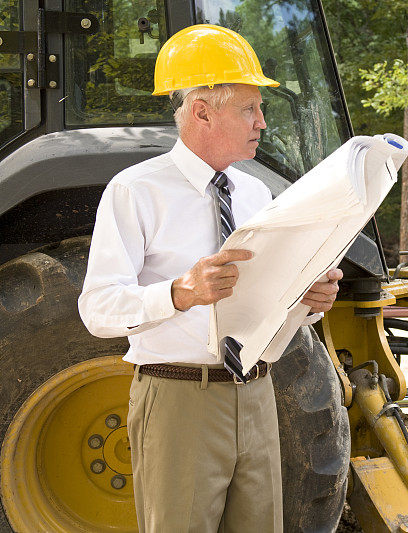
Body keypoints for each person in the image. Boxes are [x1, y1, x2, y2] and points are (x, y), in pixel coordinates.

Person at [78, 24, 342, 532]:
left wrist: (306, 299)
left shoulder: (256, 196)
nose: (262, 122)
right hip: (179, 400)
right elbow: (97, 309)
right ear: (202, 111)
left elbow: (264, 306)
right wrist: (180, 293)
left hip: (258, 394)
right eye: (249, 107)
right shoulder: (135, 191)